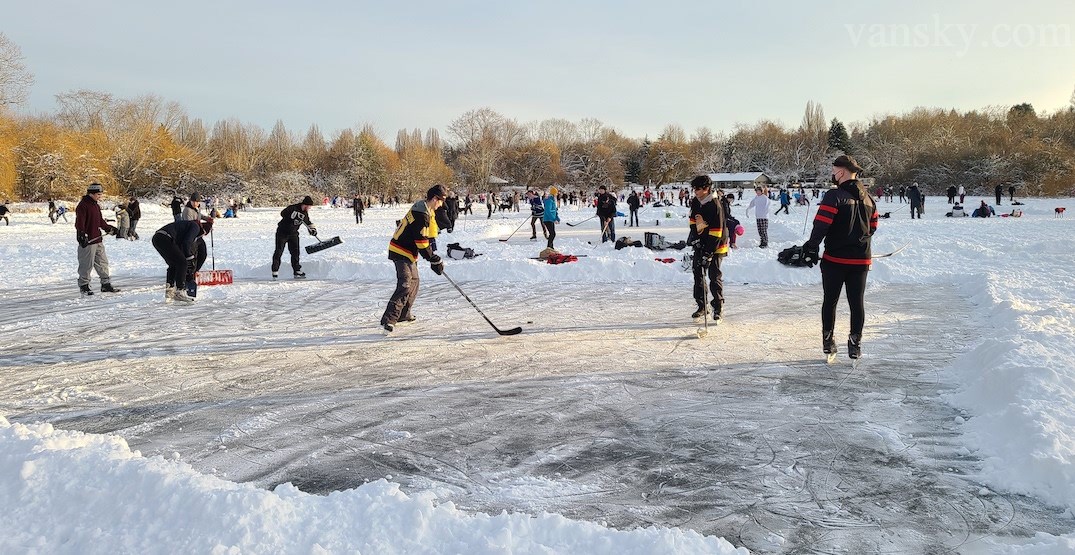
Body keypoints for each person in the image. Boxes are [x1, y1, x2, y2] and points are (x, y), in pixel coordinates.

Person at [800, 155, 878, 360]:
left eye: (834, 170)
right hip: (861, 260)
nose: (832, 174)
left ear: (841, 172)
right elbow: (873, 227)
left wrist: (811, 247)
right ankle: (855, 344)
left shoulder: (834, 196)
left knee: (830, 301)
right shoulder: (870, 199)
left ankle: (828, 340)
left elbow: (822, 224)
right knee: (856, 303)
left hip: (835, 260)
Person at [381, 185, 447, 332]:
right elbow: (421, 241)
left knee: (414, 282)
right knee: (405, 283)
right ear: (435, 199)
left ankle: (403, 314)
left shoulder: (424, 209)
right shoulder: (421, 213)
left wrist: (433, 257)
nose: (441, 205)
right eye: (441, 201)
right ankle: (389, 318)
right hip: (400, 250)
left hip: (408, 251)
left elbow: (426, 238)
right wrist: (433, 258)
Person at [687, 175, 729, 321]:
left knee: (713, 275)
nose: (695, 192)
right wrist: (696, 239)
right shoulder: (695, 202)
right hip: (702, 242)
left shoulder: (715, 204)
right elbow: (693, 221)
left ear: (706, 189)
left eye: (697, 189)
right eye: (694, 189)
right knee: (698, 274)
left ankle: (718, 306)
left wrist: (708, 253)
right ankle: (702, 305)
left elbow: (716, 231)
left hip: (716, 245)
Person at [74, 183, 120, 295]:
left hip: (98, 239)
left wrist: (109, 228)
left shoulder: (95, 205)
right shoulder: (83, 205)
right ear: (91, 193)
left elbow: (100, 221)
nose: (100, 196)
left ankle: (106, 284)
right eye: (98, 194)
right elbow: (80, 223)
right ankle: (84, 286)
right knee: (86, 264)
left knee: (103, 263)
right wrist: (81, 234)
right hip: (88, 240)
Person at [152, 217, 212, 303]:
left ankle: (170, 290)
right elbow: (186, 243)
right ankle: (180, 291)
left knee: (174, 264)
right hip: (165, 238)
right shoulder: (195, 227)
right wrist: (189, 257)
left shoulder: (187, 226)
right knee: (182, 263)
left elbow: (182, 244)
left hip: (157, 238)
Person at [272, 195, 317, 279]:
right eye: (308, 206)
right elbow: (283, 213)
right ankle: (275, 270)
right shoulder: (293, 208)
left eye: (309, 207)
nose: (308, 208)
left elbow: (307, 222)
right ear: (304, 204)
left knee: (295, 252)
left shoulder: (305, 213)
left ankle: (297, 270)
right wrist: (292, 215)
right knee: (279, 251)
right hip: (282, 232)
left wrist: (312, 229)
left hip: (293, 234)